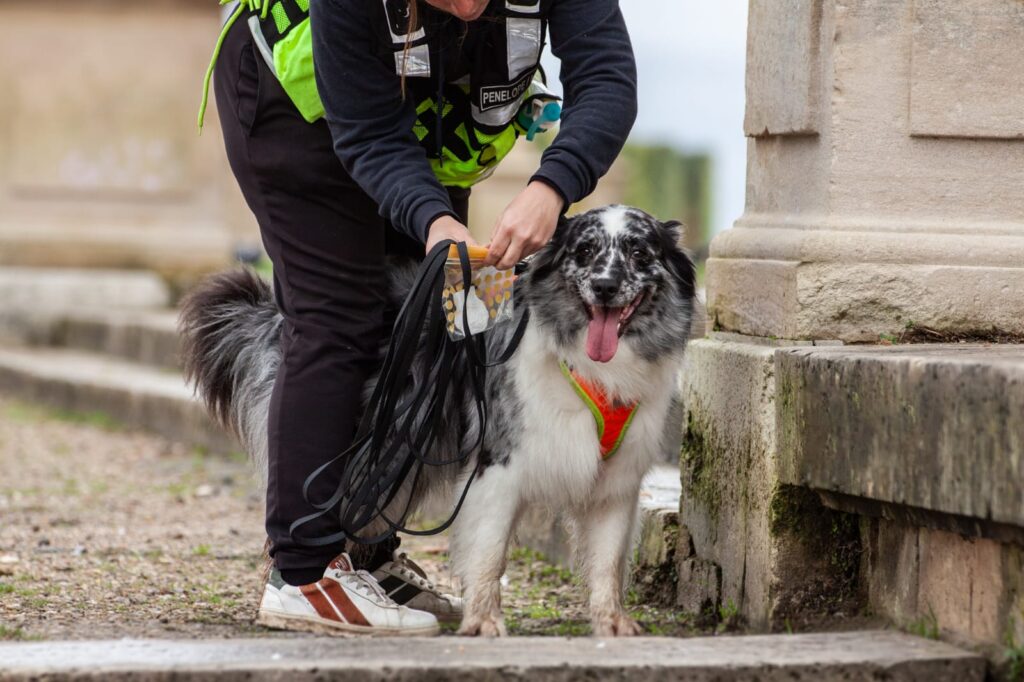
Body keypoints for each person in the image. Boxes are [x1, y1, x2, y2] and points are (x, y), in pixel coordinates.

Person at [208, 0, 637, 636]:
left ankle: (365, 557)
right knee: (341, 313)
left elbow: (607, 77)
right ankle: (303, 573)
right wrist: (434, 221)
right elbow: (369, 132)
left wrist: (553, 185)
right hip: (290, 101)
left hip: (425, 103)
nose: (466, 6)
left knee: (420, 315)